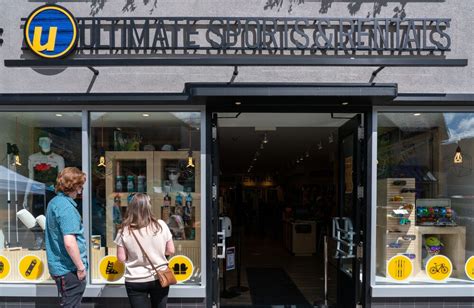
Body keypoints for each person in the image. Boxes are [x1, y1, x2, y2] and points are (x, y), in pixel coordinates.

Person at [115, 193, 175, 308]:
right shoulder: (161, 225)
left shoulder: (124, 230)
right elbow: (170, 250)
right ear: (149, 207)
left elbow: (121, 258)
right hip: (159, 276)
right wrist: (157, 254)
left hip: (135, 279)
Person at [45, 167, 87, 308]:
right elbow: (69, 242)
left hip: (61, 267)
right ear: (74, 186)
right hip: (69, 269)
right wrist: (80, 267)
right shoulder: (66, 208)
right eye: (80, 186)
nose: (81, 190)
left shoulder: (55, 202)